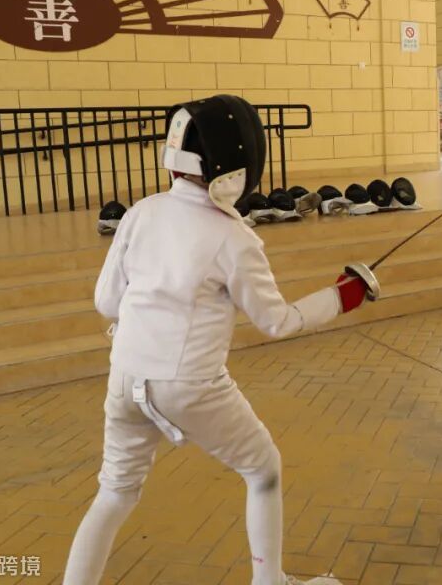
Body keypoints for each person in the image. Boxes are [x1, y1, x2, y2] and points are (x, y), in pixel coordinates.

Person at [63, 95, 377, 585]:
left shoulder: (142, 213)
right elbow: (277, 321)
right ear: (236, 168)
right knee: (263, 469)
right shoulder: (234, 238)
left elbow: (107, 301)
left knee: (115, 493)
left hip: (125, 378)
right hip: (190, 384)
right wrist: (344, 296)